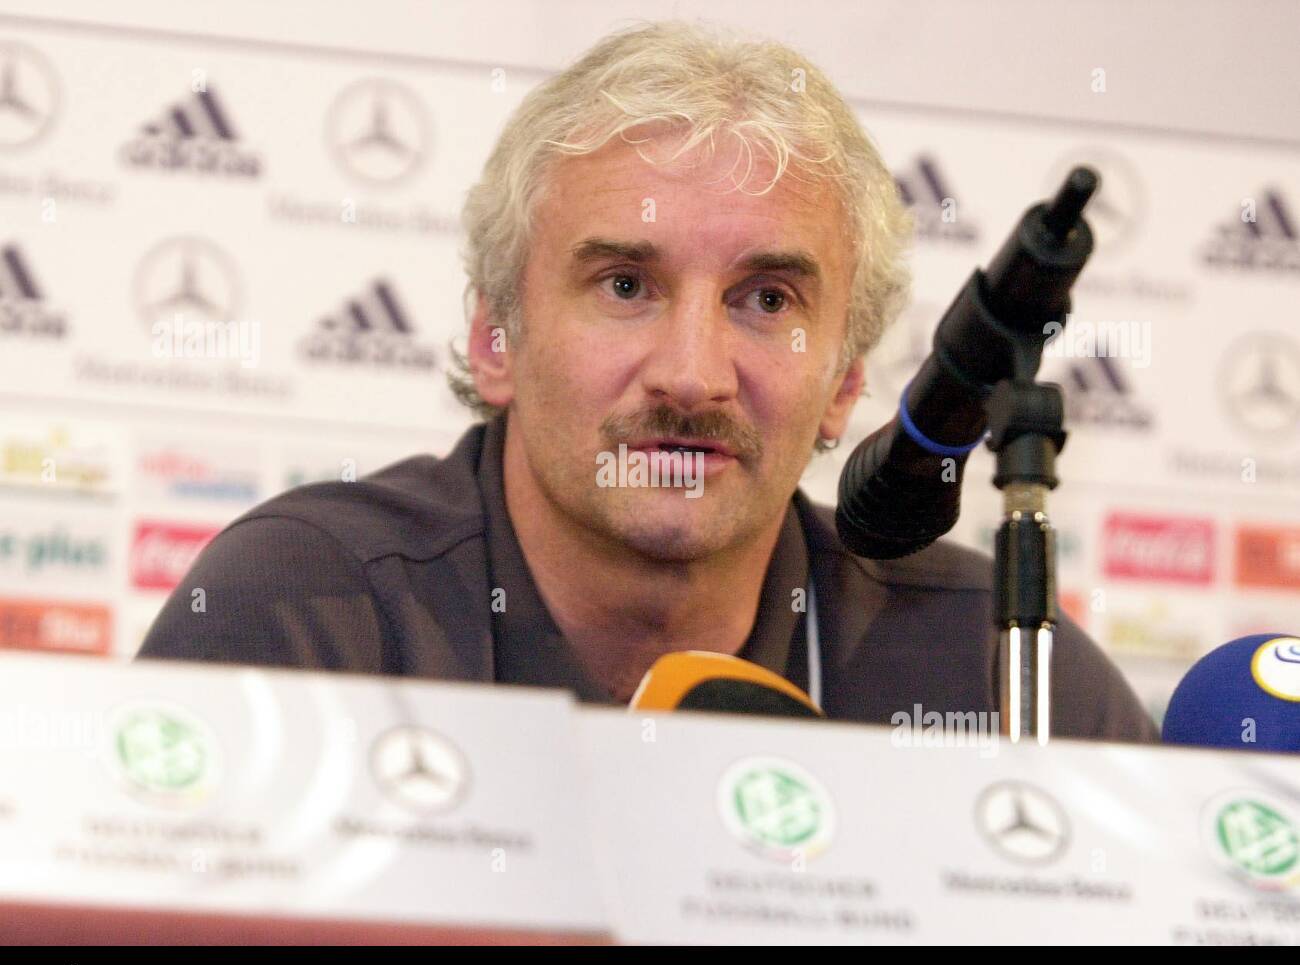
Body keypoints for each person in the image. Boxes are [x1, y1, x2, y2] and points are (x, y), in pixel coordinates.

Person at [138, 20, 1157, 743]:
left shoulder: (990, 670)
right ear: (496, 337)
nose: (691, 375)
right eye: (625, 284)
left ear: (845, 381)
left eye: (765, 302)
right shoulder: (308, 611)